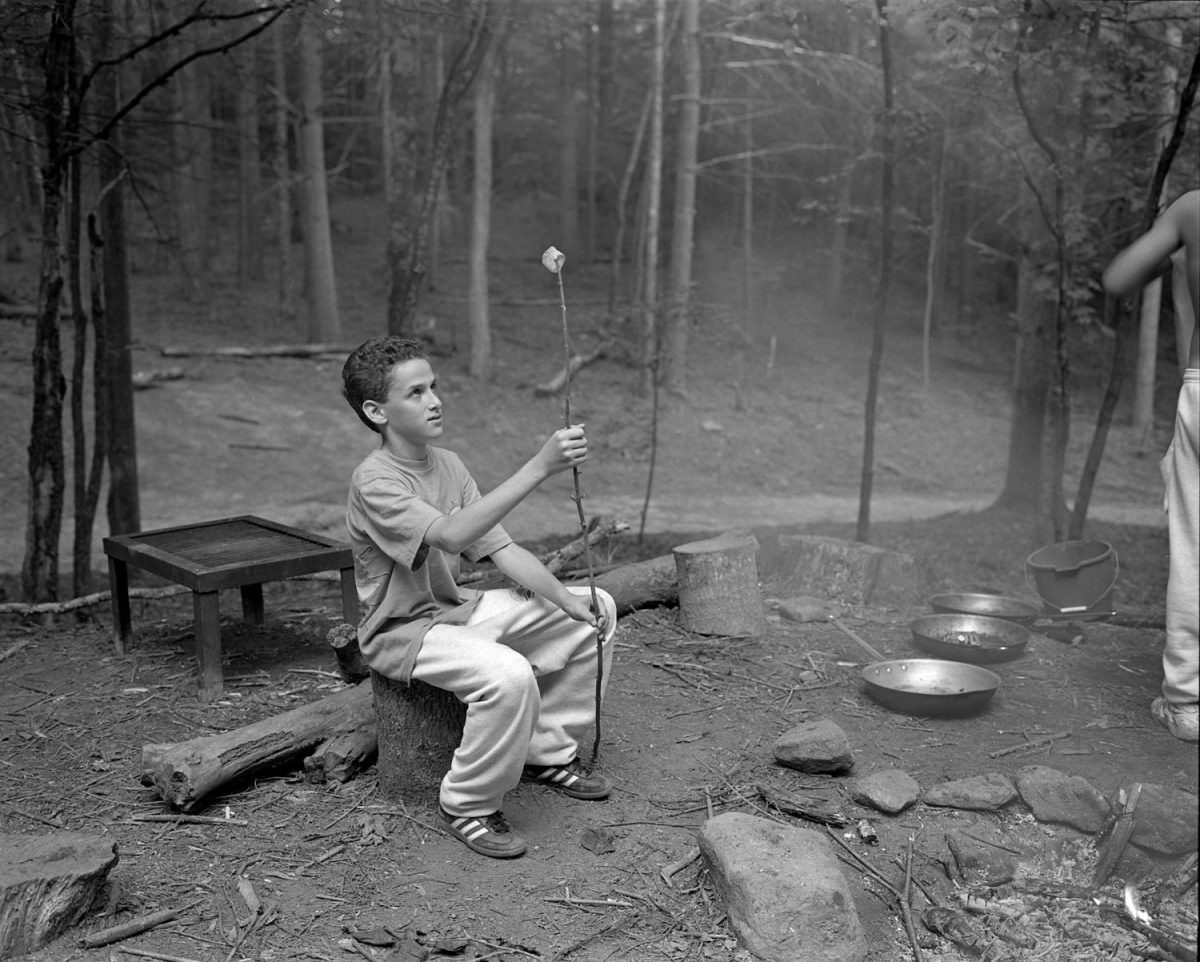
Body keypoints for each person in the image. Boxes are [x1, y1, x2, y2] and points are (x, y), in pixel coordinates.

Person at [341, 335, 618, 857]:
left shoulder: (448, 463)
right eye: (416, 392)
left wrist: (564, 599)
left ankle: (546, 750)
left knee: (594, 608)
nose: (434, 400)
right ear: (377, 412)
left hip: (457, 613)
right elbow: (449, 534)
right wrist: (539, 467)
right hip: (404, 633)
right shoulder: (374, 481)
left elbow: (501, 548)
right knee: (508, 673)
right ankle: (468, 802)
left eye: (434, 387)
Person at [1102, 188, 1199, 742]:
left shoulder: (1194, 207)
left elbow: (1119, 279)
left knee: (1194, 545)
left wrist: (1180, 249)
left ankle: (1186, 703)